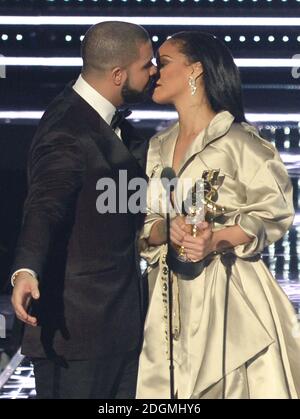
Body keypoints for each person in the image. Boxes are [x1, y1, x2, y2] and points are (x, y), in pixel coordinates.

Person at [136, 31, 300, 399]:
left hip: (229, 295)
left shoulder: (240, 142)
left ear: (195, 70)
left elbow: (274, 212)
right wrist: (166, 229)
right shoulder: (156, 147)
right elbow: (144, 222)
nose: (153, 73)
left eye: (163, 63)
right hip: (166, 298)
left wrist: (216, 240)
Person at [10, 21, 156, 399]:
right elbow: (44, 205)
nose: (154, 72)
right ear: (118, 74)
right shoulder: (67, 128)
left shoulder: (117, 126)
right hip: (76, 338)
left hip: (120, 327)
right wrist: (26, 269)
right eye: (147, 65)